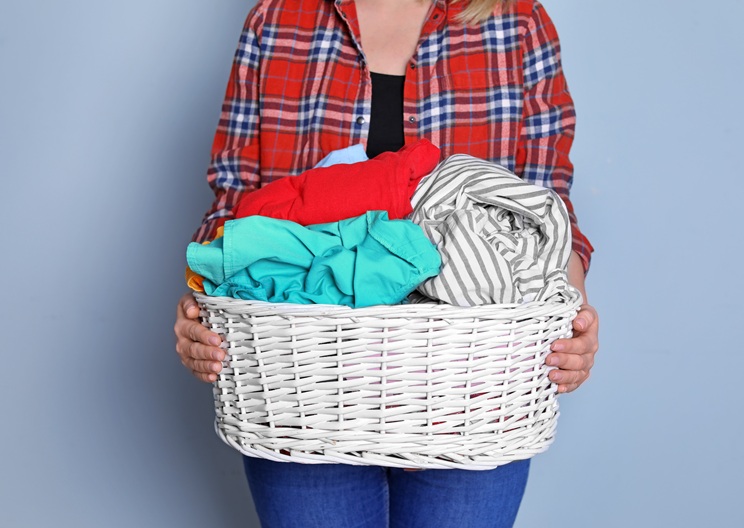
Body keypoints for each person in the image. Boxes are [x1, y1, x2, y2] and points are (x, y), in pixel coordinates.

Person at [174, 0, 600, 526]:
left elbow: (546, 214)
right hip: (306, 389)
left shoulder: (517, 23)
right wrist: (201, 308)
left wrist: (572, 318)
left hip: (469, 387)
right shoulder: (280, 19)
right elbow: (233, 206)